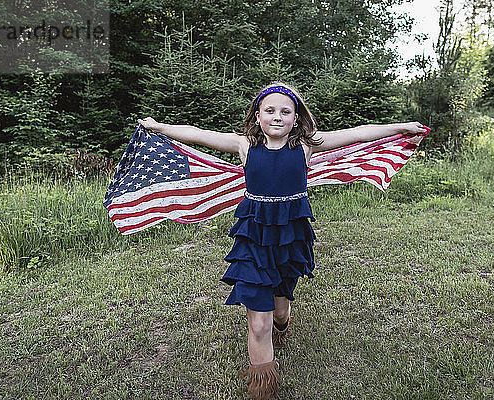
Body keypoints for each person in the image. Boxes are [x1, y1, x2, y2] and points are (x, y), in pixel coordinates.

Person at [137, 82, 426, 399]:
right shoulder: (245, 145)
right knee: (259, 325)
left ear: (296, 117)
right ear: (257, 116)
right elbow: (195, 134)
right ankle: (264, 390)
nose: (277, 117)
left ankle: (283, 323)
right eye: (270, 111)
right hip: (254, 238)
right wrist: (158, 126)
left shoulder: (305, 145)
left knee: (279, 312)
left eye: (285, 111)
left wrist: (401, 126)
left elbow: (359, 132)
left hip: (291, 236)